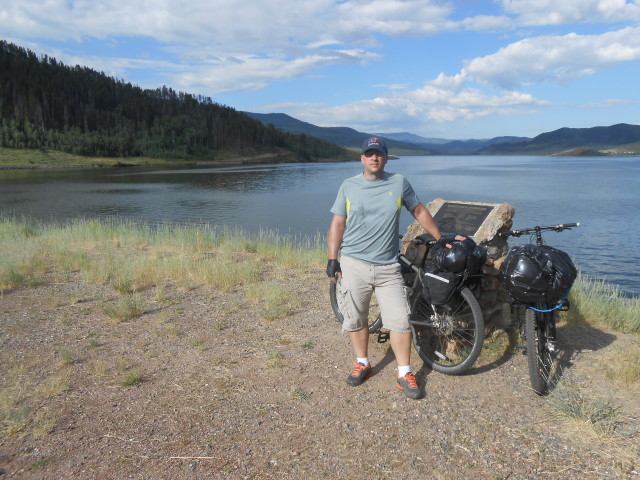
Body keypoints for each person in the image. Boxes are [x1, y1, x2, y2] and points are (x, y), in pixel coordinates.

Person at [327, 136, 450, 399]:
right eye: (369, 154)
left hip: (387, 267)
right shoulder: (348, 186)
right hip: (353, 264)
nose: (374, 158)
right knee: (356, 318)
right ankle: (363, 363)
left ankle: (404, 373)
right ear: (362, 158)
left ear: (386, 158)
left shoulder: (399, 182)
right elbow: (338, 224)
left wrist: (441, 239)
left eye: (379, 154)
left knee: (400, 320)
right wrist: (332, 258)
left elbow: (419, 211)